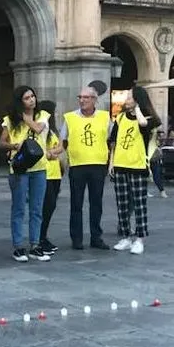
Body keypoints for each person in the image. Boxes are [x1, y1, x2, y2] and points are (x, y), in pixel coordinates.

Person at [0, 86, 51, 263]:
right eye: (27, 98)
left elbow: (38, 129)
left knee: (37, 208)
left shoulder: (42, 115)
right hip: (20, 168)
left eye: (32, 96)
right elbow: (1, 143)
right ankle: (18, 246)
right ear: (20, 101)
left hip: (39, 167)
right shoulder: (9, 120)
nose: (31, 100)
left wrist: (25, 118)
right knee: (19, 208)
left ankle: (35, 245)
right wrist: (14, 146)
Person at [109, 86, 161, 255]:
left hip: (138, 165)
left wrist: (137, 109)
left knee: (139, 204)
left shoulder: (150, 118)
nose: (126, 100)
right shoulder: (120, 118)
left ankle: (139, 238)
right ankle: (125, 236)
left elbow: (143, 125)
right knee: (122, 203)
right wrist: (111, 163)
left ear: (138, 99)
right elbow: (113, 142)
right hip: (120, 164)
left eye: (130, 97)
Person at [61, 86, 112, 250]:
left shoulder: (105, 117)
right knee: (76, 203)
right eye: (80, 97)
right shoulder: (70, 117)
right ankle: (76, 238)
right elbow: (63, 140)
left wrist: (111, 162)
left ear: (94, 100)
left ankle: (96, 237)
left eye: (86, 97)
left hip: (98, 165)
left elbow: (111, 139)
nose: (82, 100)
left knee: (96, 203)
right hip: (77, 166)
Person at [38, 101, 63, 255]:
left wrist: (53, 152)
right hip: (45, 172)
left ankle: (43, 236)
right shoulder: (42, 129)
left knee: (51, 206)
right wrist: (49, 153)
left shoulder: (53, 130)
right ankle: (40, 238)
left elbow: (61, 146)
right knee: (46, 206)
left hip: (55, 173)